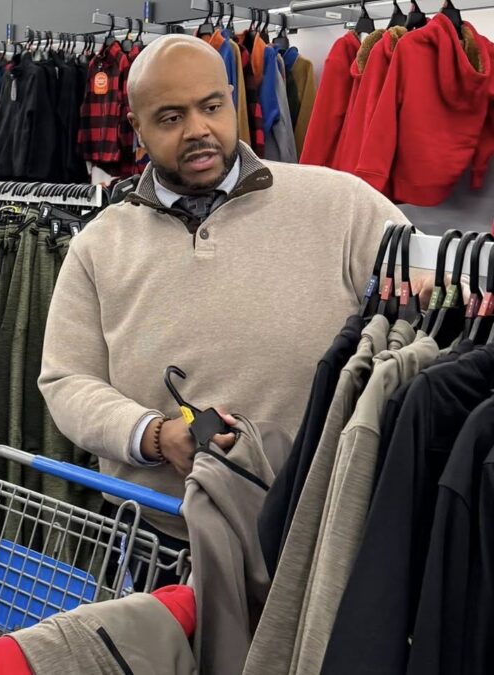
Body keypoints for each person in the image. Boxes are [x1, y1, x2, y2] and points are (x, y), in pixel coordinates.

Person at [38, 34, 408, 548]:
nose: (198, 131)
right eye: (170, 118)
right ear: (137, 130)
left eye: (212, 107)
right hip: (165, 532)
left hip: (318, 527)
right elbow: (67, 381)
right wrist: (154, 436)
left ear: (233, 101)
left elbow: (432, 310)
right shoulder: (100, 244)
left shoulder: (342, 204)